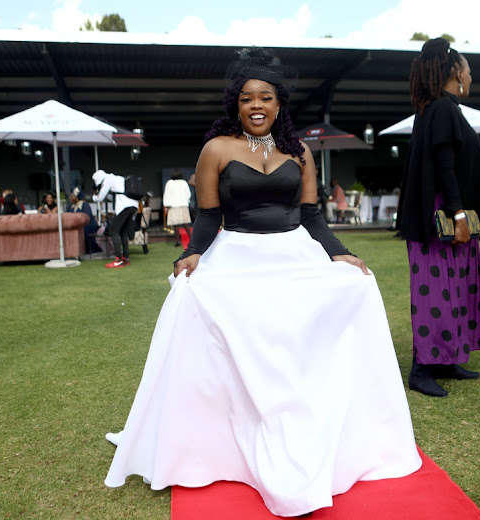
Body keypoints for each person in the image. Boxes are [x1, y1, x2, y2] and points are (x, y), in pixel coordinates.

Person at [104, 47, 421, 517]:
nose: (257, 105)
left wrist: (341, 253)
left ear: (279, 105)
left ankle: (317, 420)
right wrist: (192, 253)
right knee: (202, 307)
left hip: (294, 253)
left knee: (356, 288)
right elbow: (209, 215)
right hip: (237, 255)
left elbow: (311, 216)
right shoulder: (216, 150)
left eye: (266, 97)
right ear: (236, 103)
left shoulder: (299, 151)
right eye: (248, 97)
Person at [396, 38, 480, 398]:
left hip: (440, 210)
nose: (471, 75)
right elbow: (446, 165)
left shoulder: (437, 108)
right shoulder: (442, 109)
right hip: (440, 213)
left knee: (453, 287)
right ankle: (422, 367)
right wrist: (458, 215)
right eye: (469, 69)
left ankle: (445, 357)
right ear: (455, 73)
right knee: (435, 291)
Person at [92, 169, 139, 268]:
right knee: (123, 232)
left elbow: (100, 197)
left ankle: (118, 259)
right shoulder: (117, 178)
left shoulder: (107, 180)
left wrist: (94, 197)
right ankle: (126, 258)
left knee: (114, 231)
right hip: (133, 205)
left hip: (124, 206)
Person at [163, 172, 193, 247]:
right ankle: (192, 239)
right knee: (185, 223)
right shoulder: (184, 183)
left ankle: (177, 241)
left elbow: (167, 194)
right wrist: (186, 201)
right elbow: (188, 194)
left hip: (173, 206)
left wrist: (167, 205)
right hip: (183, 205)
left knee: (176, 225)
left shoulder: (169, 183)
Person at [67, 187, 100, 254]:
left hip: (88, 226)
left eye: (72, 196)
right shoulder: (70, 206)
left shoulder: (84, 205)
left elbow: (87, 217)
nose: (70, 198)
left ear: (77, 197)